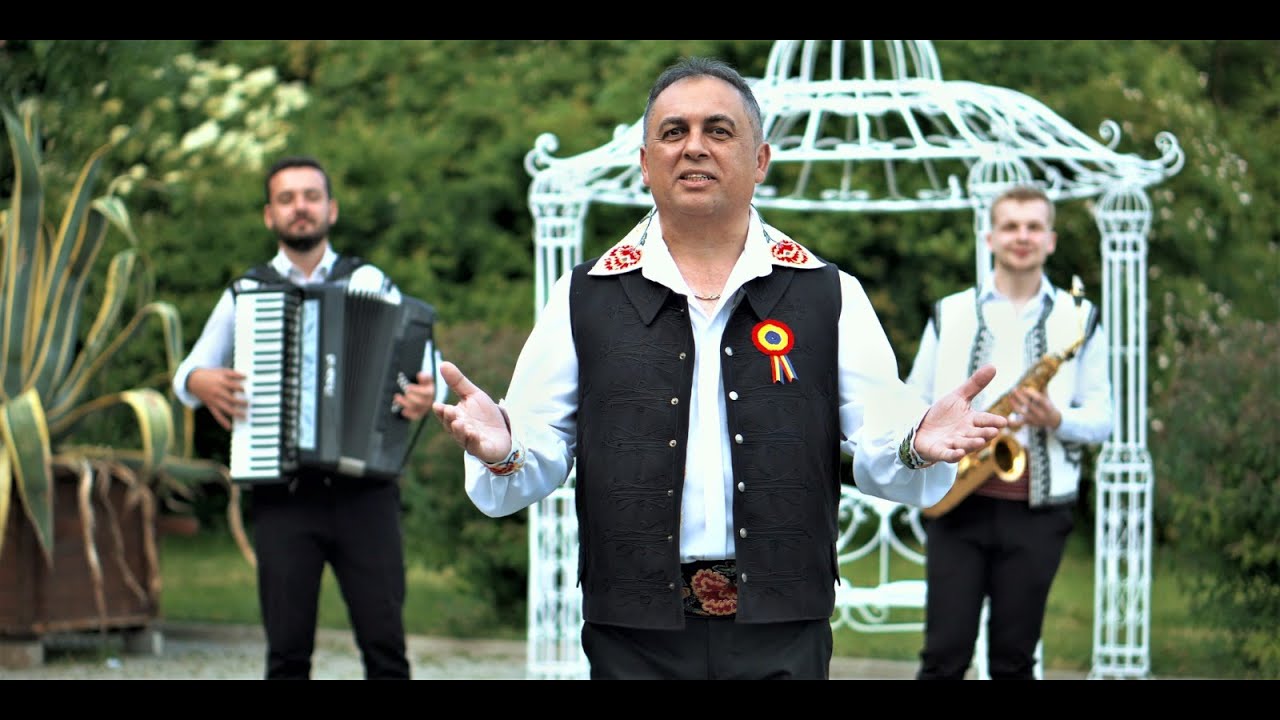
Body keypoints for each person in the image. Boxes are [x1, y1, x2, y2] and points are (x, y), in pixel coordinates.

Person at [430, 56, 1007, 681]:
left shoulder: (829, 293)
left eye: (719, 130)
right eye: (673, 132)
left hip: (783, 629)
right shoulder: (583, 296)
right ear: (645, 162)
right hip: (631, 635)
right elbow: (536, 451)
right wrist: (503, 449)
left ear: (760, 160)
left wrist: (918, 444)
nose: (695, 147)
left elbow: (882, 442)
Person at [172, 156, 435, 680]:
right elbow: (187, 374)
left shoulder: (370, 281)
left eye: (311, 196)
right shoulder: (247, 292)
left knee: (386, 649)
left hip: (366, 494)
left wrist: (426, 394)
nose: (300, 207)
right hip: (283, 496)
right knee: (287, 654)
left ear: (330, 209)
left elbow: (427, 366)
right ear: (269, 214)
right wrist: (198, 381)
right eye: (287, 198)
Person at [905, 185, 1112, 680]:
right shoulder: (950, 312)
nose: (1022, 236)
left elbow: (1104, 418)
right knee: (943, 657)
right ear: (990, 237)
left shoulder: (1080, 319)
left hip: (1038, 513)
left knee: (1015, 661)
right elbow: (911, 401)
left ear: (1051, 240)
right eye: (1011, 226)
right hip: (956, 503)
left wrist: (1057, 419)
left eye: (1034, 227)